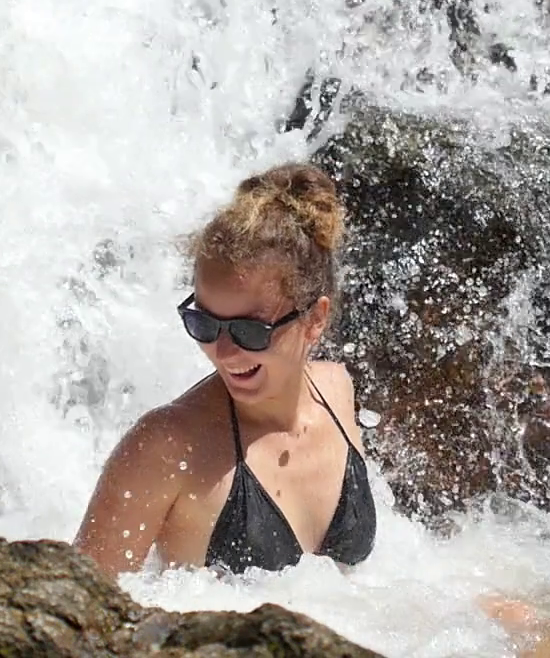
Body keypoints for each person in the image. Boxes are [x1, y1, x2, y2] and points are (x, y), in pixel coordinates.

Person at [74, 163, 376, 577]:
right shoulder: (167, 447)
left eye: (250, 331)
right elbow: (80, 600)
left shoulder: (337, 390)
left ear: (315, 319)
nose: (223, 351)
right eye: (204, 323)